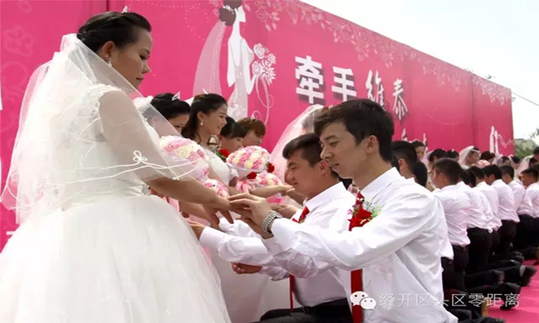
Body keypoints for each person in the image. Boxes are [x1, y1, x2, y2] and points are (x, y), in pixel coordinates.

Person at [0, 11, 233, 323]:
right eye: (142, 55)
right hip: (121, 226)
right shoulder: (107, 98)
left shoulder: (59, 105)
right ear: (109, 50)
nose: (147, 68)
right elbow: (157, 175)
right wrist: (215, 199)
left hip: (60, 231)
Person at [230, 99, 457, 323]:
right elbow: (307, 265)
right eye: (323, 146)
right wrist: (267, 232)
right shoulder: (354, 204)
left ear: (369, 143)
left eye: (333, 143)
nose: (325, 154)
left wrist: (272, 221)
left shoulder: (412, 198)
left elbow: (355, 251)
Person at [192, 133, 355, 323]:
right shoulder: (313, 208)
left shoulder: (340, 209)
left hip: (337, 312)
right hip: (317, 309)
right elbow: (288, 258)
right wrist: (261, 265)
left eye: (294, 167)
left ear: (322, 167)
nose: (288, 177)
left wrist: (205, 233)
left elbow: (298, 258)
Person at [430, 158, 471, 291]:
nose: (431, 178)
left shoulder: (442, 198)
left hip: (450, 249)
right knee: (458, 288)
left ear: (441, 176)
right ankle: (474, 307)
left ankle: (474, 307)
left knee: (448, 293)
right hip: (462, 247)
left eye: (433, 174)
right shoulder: (462, 195)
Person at [483, 165, 519, 256]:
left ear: (491, 176)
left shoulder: (493, 189)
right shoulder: (505, 186)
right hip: (511, 222)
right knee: (504, 253)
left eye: (484, 177)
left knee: (498, 255)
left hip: (503, 224)